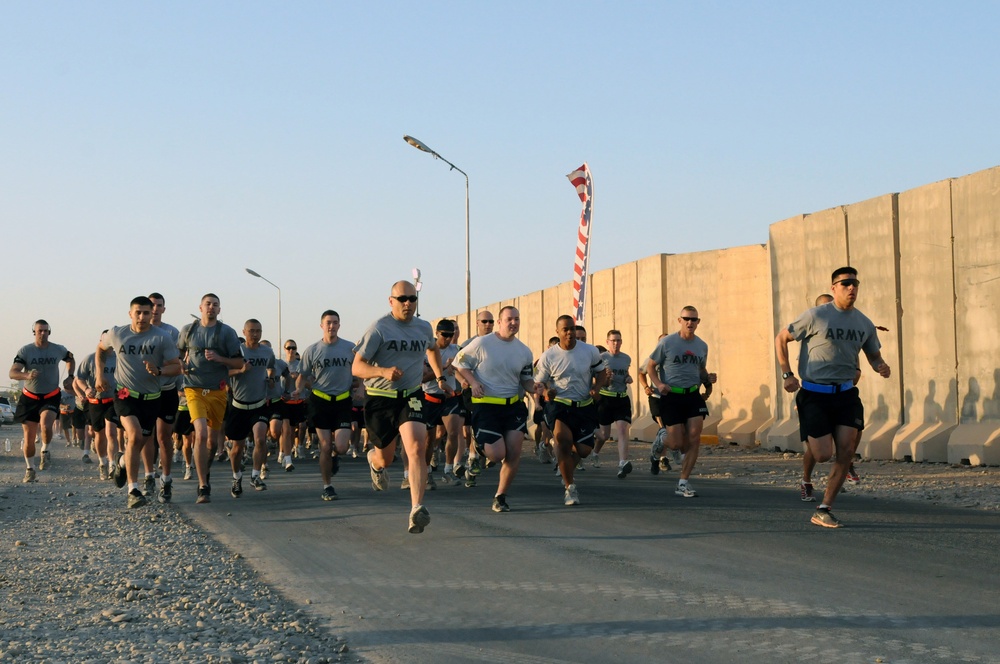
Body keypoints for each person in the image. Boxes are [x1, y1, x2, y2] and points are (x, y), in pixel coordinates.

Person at [776, 267, 890, 527]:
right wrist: (787, 375)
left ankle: (824, 508)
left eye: (855, 283)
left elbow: (873, 355)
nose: (851, 288)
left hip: (846, 393)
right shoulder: (816, 315)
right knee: (823, 455)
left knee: (847, 451)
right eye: (846, 283)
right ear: (834, 287)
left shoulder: (864, 322)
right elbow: (781, 338)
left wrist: (881, 366)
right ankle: (811, 463)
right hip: (814, 394)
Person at [352, 280, 450, 534]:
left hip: (411, 395)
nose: (408, 303)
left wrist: (439, 377)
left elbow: (433, 350)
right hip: (379, 397)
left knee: (417, 447)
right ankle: (375, 462)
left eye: (412, 299)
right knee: (385, 456)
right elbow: (357, 367)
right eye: (402, 299)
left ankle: (416, 508)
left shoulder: (423, 327)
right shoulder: (379, 329)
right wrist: (382, 371)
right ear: (391, 301)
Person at [96, 296, 183, 508]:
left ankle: (123, 462)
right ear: (130, 313)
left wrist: (160, 371)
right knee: (133, 435)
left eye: (146, 312)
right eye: (138, 312)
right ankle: (133, 490)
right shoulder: (118, 333)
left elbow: (177, 366)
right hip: (126, 395)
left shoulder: (162, 338)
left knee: (139, 443)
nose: (143, 317)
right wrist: (100, 375)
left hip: (152, 399)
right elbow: (100, 349)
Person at [454, 305, 535, 512]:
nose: (513, 323)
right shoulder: (482, 343)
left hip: (513, 406)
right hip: (486, 405)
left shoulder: (524, 351)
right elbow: (459, 364)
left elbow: (526, 381)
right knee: (497, 455)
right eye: (509, 319)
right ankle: (479, 443)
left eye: (517, 319)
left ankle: (500, 496)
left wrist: (537, 388)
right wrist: (472, 382)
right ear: (499, 322)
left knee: (514, 452)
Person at [533, 315, 609, 506]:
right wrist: (547, 391)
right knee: (563, 442)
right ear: (557, 332)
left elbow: (601, 372)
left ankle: (565, 468)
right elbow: (539, 383)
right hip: (560, 405)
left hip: (583, 406)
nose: (569, 332)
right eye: (565, 329)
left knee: (583, 450)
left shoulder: (590, 351)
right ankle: (570, 488)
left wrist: (597, 388)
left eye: (572, 328)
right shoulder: (549, 356)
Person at [177, 293, 245, 504]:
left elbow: (239, 363)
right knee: (201, 433)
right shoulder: (189, 330)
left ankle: (205, 473)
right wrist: (181, 365)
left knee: (212, 442)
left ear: (219, 309)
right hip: (194, 389)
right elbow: (177, 354)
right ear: (200, 307)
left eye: (215, 305)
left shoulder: (227, 332)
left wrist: (219, 358)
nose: (211, 308)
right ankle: (202, 486)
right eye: (208, 304)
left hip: (218, 390)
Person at [646, 307, 718, 498]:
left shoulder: (702, 346)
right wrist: (659, 384)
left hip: (692, 394)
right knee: (677, 443)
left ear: (698, 322)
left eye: (694, 320)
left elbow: (701, 369)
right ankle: (662, 438)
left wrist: (708, 378)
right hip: (671, 395)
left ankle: (683, 482)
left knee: (694, 437)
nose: (690, 322)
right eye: (686, 319)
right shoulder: (667, 342)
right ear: (679, 320)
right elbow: (650, 366)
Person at [297, 310, 355, 501]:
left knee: (341, 447)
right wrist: (299, 390)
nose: (332, 326)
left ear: (339, 325)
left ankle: (335, 456)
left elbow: (360, 370)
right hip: (320, 401)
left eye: (335, 322)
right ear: (322, 325)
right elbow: (302, 375)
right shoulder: (312, 350)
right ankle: (327, 486)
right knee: (324, 445)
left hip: (342, 401)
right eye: (328, 322)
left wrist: (361, 388)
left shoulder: (349, 348)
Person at [9, 320, 75, 482]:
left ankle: (45, 450)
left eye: (46, 331)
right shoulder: (26, 350)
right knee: (29, 435)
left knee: (46, 425)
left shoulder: (58, 349)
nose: (43, 334)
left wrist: (70, 376)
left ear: (49, 332)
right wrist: (26, 375)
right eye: (40, 331)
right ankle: (30, 469)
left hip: (50, 395)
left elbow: (70, 359)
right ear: (34, 332)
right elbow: (13, 372)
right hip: (30, 397)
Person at [225, 319, 275, 497]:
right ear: (244, 332)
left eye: (258, 331)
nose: (255, 334)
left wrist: (270, 379)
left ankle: (255, 476)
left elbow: (272, 368)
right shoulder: (237, 352)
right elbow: (223, 373)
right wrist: (240, 370)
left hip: (259, 404)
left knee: (260, 439)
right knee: (237, 448)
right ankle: (237, 477)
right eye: (252, 331)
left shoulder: (267, 351)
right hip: (239, 405)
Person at [418, 319, 463, 489]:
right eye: (445, 335)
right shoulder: (426, 351)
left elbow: (465, 367)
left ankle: (448, 469)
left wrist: (460, 373)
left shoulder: (456, 351)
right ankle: (428, 472)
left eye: (451, 335)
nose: (448, 338)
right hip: (429, 398)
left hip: (448, 397)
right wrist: (443, 368)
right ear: (436, 334)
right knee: (429, 439)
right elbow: (422, 378)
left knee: (453, 432)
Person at [147, 292, 182, 502]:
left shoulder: (172, 332)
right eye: (151, 305)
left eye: (158, 305)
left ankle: (166, 480)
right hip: (145, 390)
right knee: (146, 436)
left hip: (167, 389)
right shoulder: (139, 331)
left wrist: (161, 369)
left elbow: (176, 361)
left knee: (163, 437)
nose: (154, 309)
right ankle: (149, 475)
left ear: (163, 309)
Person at [75, 331, 119, 480]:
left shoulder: (119, 359)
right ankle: (102, 462)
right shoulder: (90, 359)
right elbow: (79, 378)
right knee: (99, 434)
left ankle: (113, 463)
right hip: (96, 402)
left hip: (114, 401)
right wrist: (86, 389)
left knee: (112, 432)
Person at [592, 330, 634, 478]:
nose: (616, 343)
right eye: (613, 341)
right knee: (604, 435)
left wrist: (628, 378)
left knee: (622, 429)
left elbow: (626, 374)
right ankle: (595, 452)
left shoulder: (626, 358)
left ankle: (623, 463)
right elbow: (595, 380)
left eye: (618, 340)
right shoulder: (601, 358)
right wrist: (606, 379)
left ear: (621, 342)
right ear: (607, 342)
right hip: (605, 399)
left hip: (621, 398)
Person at [458, 311, 494, 478]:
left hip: (495, 394)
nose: (488, 324)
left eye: (491, 321)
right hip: (474, 392)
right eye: (485, 321)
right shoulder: (468, 344)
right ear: (477, 323)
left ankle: (486, 452)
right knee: (474, 426)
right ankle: (472, 459)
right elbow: (455, 367)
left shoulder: (498, 343)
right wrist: (464, 381)